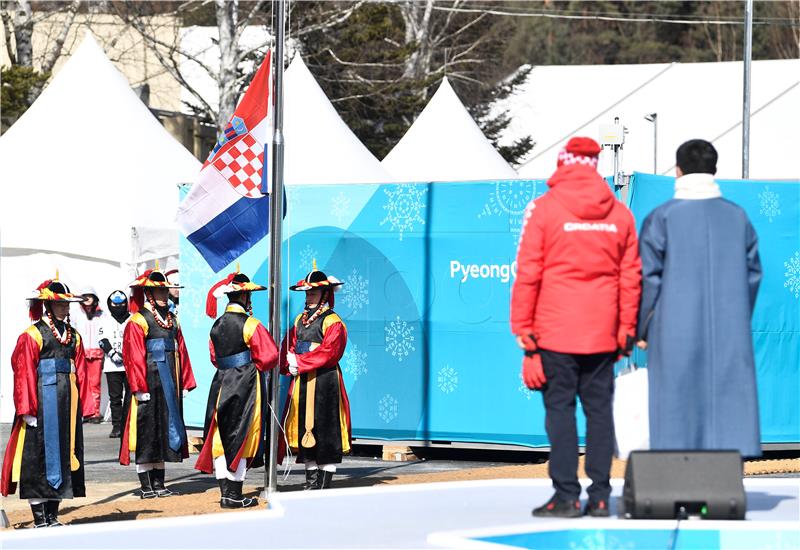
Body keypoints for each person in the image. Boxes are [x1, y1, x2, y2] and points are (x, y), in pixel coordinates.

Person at [510, 137, 641, 518]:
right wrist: (626, 328)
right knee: (599, 413)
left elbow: (528, 271)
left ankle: (566, 495)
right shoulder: (619, 214)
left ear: (563, 162)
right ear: (595, 164)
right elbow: (631, 276)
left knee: (560, 412)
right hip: (602, 332)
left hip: (555, 332)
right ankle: (601, 495)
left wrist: (523, 326)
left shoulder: (543, 210)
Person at [637, 139, 762, 457]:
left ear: (677, 171)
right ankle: (725, 483)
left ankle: (678, 482)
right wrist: (737, 315)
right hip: (728, 328)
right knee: (727, 404)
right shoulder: (738, 217)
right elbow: (752, 274)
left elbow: (648, 277)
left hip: (673, 328)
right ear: (714, 170)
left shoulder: (662, 217)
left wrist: (641, 328)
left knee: (675, 403)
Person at [0, 277, 90, 527]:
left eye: (67, 305)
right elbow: (23, 372)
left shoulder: (74, 336)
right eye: (60, 305)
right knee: (37, 455)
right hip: (42, 402)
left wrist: (82, 404)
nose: (65, 308)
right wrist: (27, 409)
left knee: (63, 452)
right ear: (47, 307)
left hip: (66, 403)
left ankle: (53, 514)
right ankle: (39, 517)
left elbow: (80, 370)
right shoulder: (32, 335)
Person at [195, 270, 279, 508]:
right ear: (244, 298)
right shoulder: (251, 324)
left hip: (221, 381)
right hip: (245, 382)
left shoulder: (217, 324)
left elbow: (214, 356)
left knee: (222, 434)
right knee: (241, 433)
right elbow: (269, 356)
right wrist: (252, 365)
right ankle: (234, 494)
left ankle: (226, 493)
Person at [119, 268, 196, 499]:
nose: (163, 295)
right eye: (158, 291)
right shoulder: (138, 320)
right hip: (149, 382)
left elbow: (181, 350)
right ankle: (145, 485)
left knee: (164, 428)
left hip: (168, 382)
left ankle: (160, 483)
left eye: (164, 290)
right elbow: (133, 356)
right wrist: (139, 387)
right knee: (146, 431)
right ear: (149, 294)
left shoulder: (172, 320)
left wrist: (184, 380)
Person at [280, 263, 352, 490]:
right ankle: (311, 481)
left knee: (326, 428)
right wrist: (287, 362)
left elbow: (330, 352)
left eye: (314, 292)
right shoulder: (298, 320)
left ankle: (324, 482)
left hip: (324, 381)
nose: (309, 296)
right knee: (303, 426)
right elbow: (289, 345)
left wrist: (300, 362)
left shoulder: (333, 321)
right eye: (307, 292)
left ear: (324, 294)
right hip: (302, 381)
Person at [98, 290, 131, 439]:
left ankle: (129, 424)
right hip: (112, 365)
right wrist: (112, 354)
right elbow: (102, 340)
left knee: (131, 396)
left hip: (131, 364)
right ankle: (117, 425)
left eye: (122, 304)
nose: (119, 307)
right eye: (115, 305)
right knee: (115, 397)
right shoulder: (105, 320)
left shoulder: (132, 319)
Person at [71, 286, 105, 423]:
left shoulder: (102, 314)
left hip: (97, 353)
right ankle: (83, 411)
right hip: (81, 354)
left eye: (90, 296)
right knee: (80, 383)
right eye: (84, 296)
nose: (87, 299)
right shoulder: (75, 314)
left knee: (95, 384)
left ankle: (95, 413)